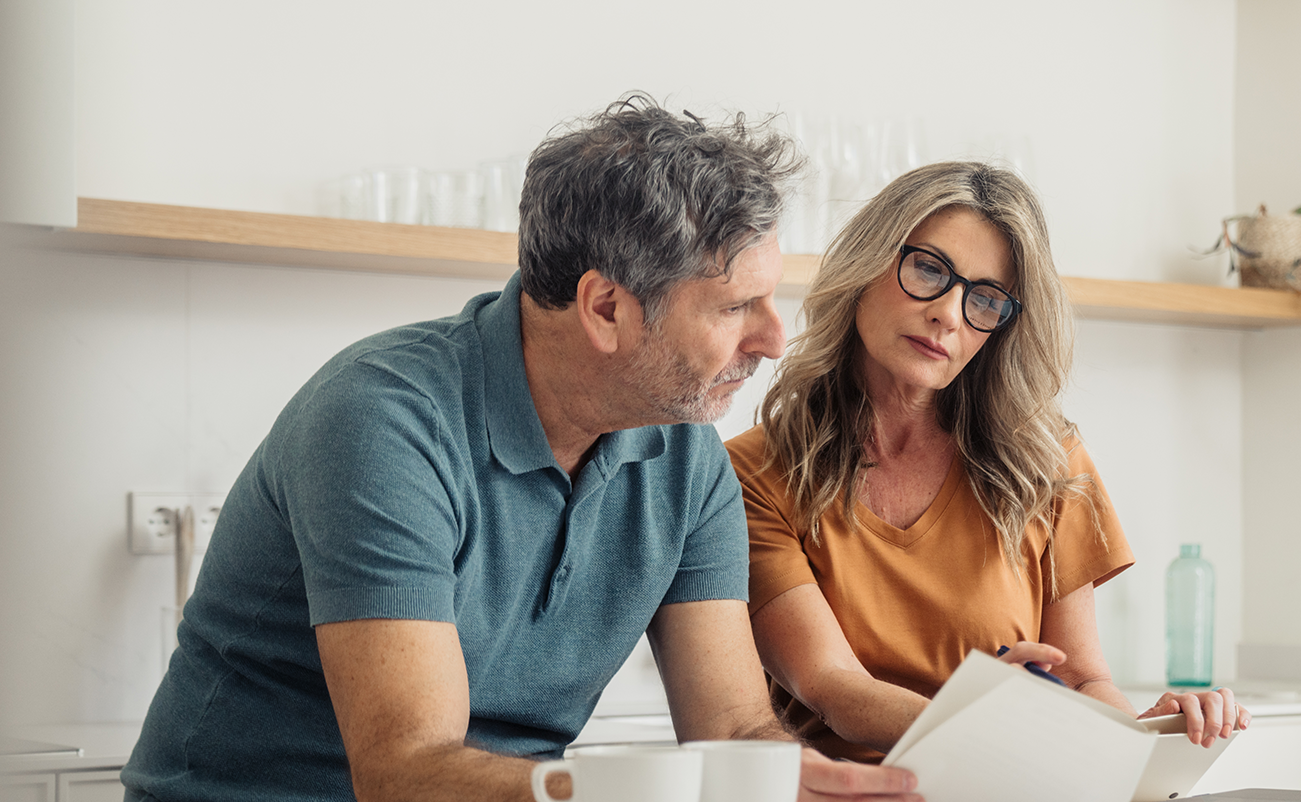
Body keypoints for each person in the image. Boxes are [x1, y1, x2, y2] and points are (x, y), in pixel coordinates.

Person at [121, 95, 918, 802]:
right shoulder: (384, 421)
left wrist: (786, 778)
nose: (776, 340)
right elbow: (406, 774)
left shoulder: (688, 455)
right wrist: (647, 792)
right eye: (736, 306)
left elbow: (734, 728)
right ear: (606, 307)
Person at [726, 162, 1251, 764]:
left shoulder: (1047, 463)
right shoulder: (753, 473)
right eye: (929, 268)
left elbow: (1081, 679)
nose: (949, 314)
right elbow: (832, 688)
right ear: (866, 264)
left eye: (985, 298)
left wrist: (1137, 739)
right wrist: (988, 720)